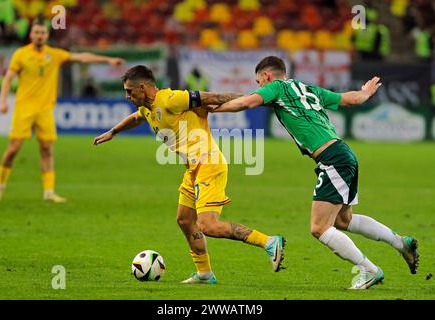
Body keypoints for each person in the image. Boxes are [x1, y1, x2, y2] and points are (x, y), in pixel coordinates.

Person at [208, 56, 419, 289]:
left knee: (319, 228)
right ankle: (401, 243)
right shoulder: (307, 88)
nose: (260, 88)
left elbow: (245, 103)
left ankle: (369, 269)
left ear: (267, 76)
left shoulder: (276, 87)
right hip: (343, 153)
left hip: (332, 159)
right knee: (343, 219)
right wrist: (365, 93)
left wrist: (209, 109)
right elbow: (349, 99)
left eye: (259, 82)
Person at [93, 65, 285, 284]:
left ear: (143, 87)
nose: (127, 96)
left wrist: (257, 98)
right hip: (192, 168)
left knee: (208, 225)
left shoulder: (171, 99)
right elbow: (137, 118)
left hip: (208, 163)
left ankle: (269, 242)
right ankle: (204, 273)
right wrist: (113, 132)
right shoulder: (147, 107)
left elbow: (214, 97)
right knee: (184, 220)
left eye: (129, 91)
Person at [0, 21, 125, 203]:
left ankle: (49, 192)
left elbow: (81, 57)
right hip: (24, 108)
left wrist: (108, 60)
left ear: (47, 36)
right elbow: (8, 79)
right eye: (36, 32)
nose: (39, 35)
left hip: (45, 110)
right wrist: (3, 101)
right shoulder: (21, 54)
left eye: (43, 33)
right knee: (13, 149)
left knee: (46, 150)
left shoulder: (54, 55)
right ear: (31, 35)